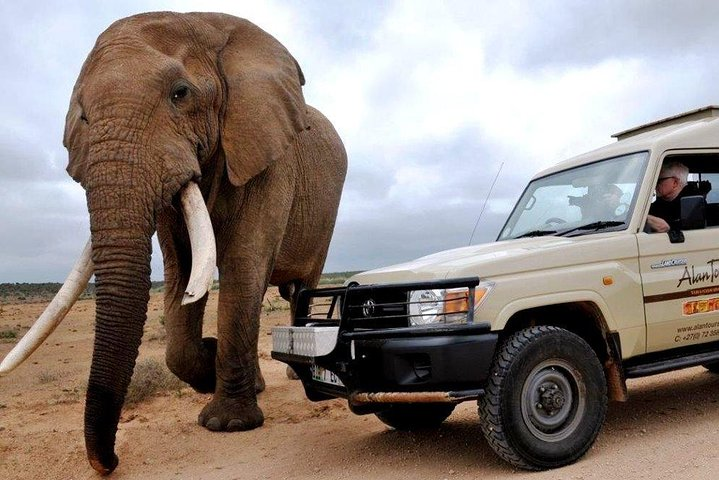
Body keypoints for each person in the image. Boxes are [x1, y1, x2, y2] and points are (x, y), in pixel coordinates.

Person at [646, 160, 689, 232]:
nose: (655, 184)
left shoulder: (690, 203)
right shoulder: (657, 205)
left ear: (675, 183)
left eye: (659, 180)